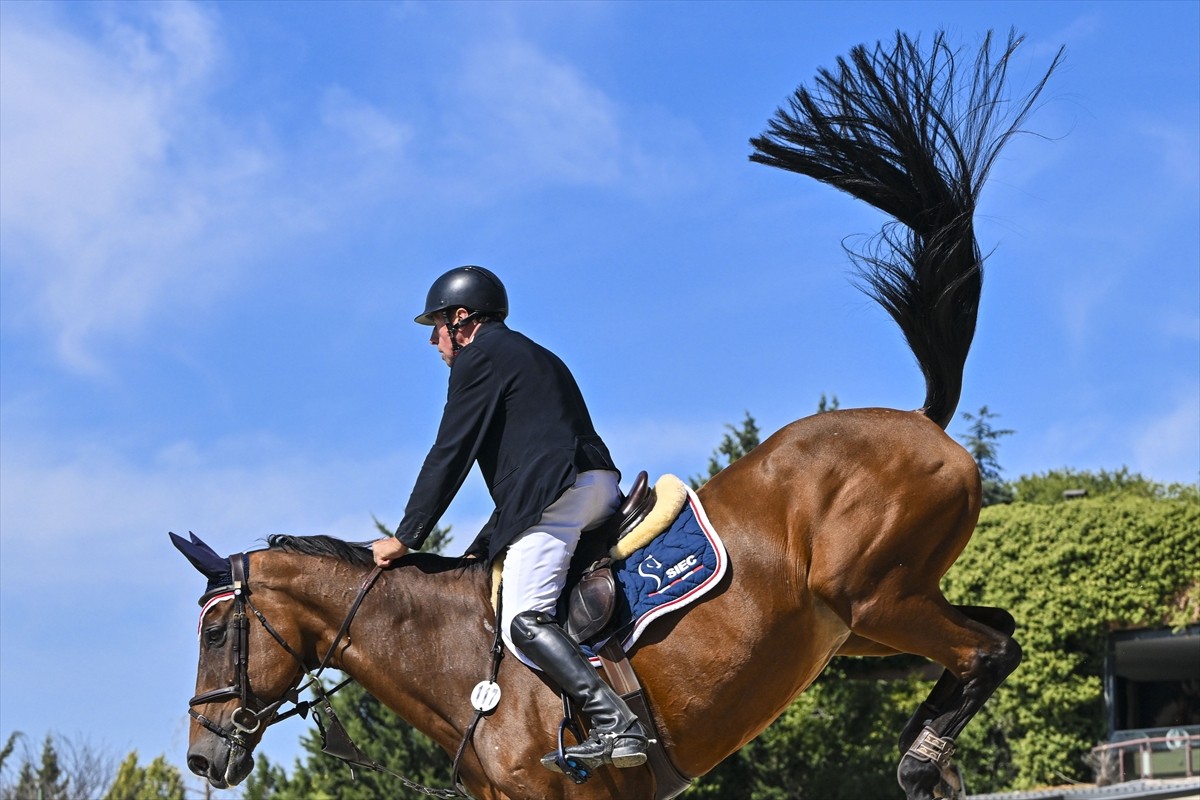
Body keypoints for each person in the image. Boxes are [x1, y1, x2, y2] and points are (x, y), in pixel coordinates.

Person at [372, 265, 648, 773]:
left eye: (437, 326)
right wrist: (483, 543)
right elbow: (527, 462)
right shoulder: (533, 353)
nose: (433, 340)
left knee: (524, 620)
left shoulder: (477, 357)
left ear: (461, 319)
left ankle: (616, 723)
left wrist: (405, 537)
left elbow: (450, 452)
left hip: (559, 495)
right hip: (595, 484)